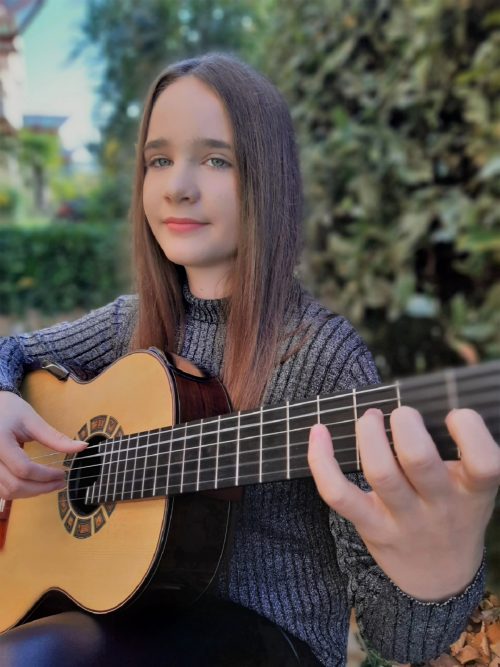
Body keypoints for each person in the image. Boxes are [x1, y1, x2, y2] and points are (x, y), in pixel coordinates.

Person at [0, 53, 498, 667]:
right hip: (126, 621)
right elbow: (10, 352)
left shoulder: (319, 354)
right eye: (159, 160)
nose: (178, 186)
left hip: (271, 643)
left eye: (216, 160)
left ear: (269, 179)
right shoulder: (129, 322)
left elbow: (396, 640)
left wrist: (438, 573)